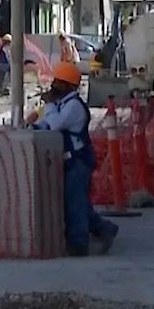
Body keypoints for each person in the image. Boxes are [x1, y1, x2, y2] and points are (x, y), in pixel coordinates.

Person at [30, 61, 119, 256]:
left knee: (75, 203)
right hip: (68, 162)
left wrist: (50, 105)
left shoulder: (73, 107)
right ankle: (105, 229)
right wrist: (32, 125)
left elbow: (54, 124)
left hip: (78, 162)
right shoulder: (63, 104)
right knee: (76, 202)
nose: (54, 86)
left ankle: (79, 243)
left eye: (59, 82)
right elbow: (45, 124)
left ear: (69, 85)